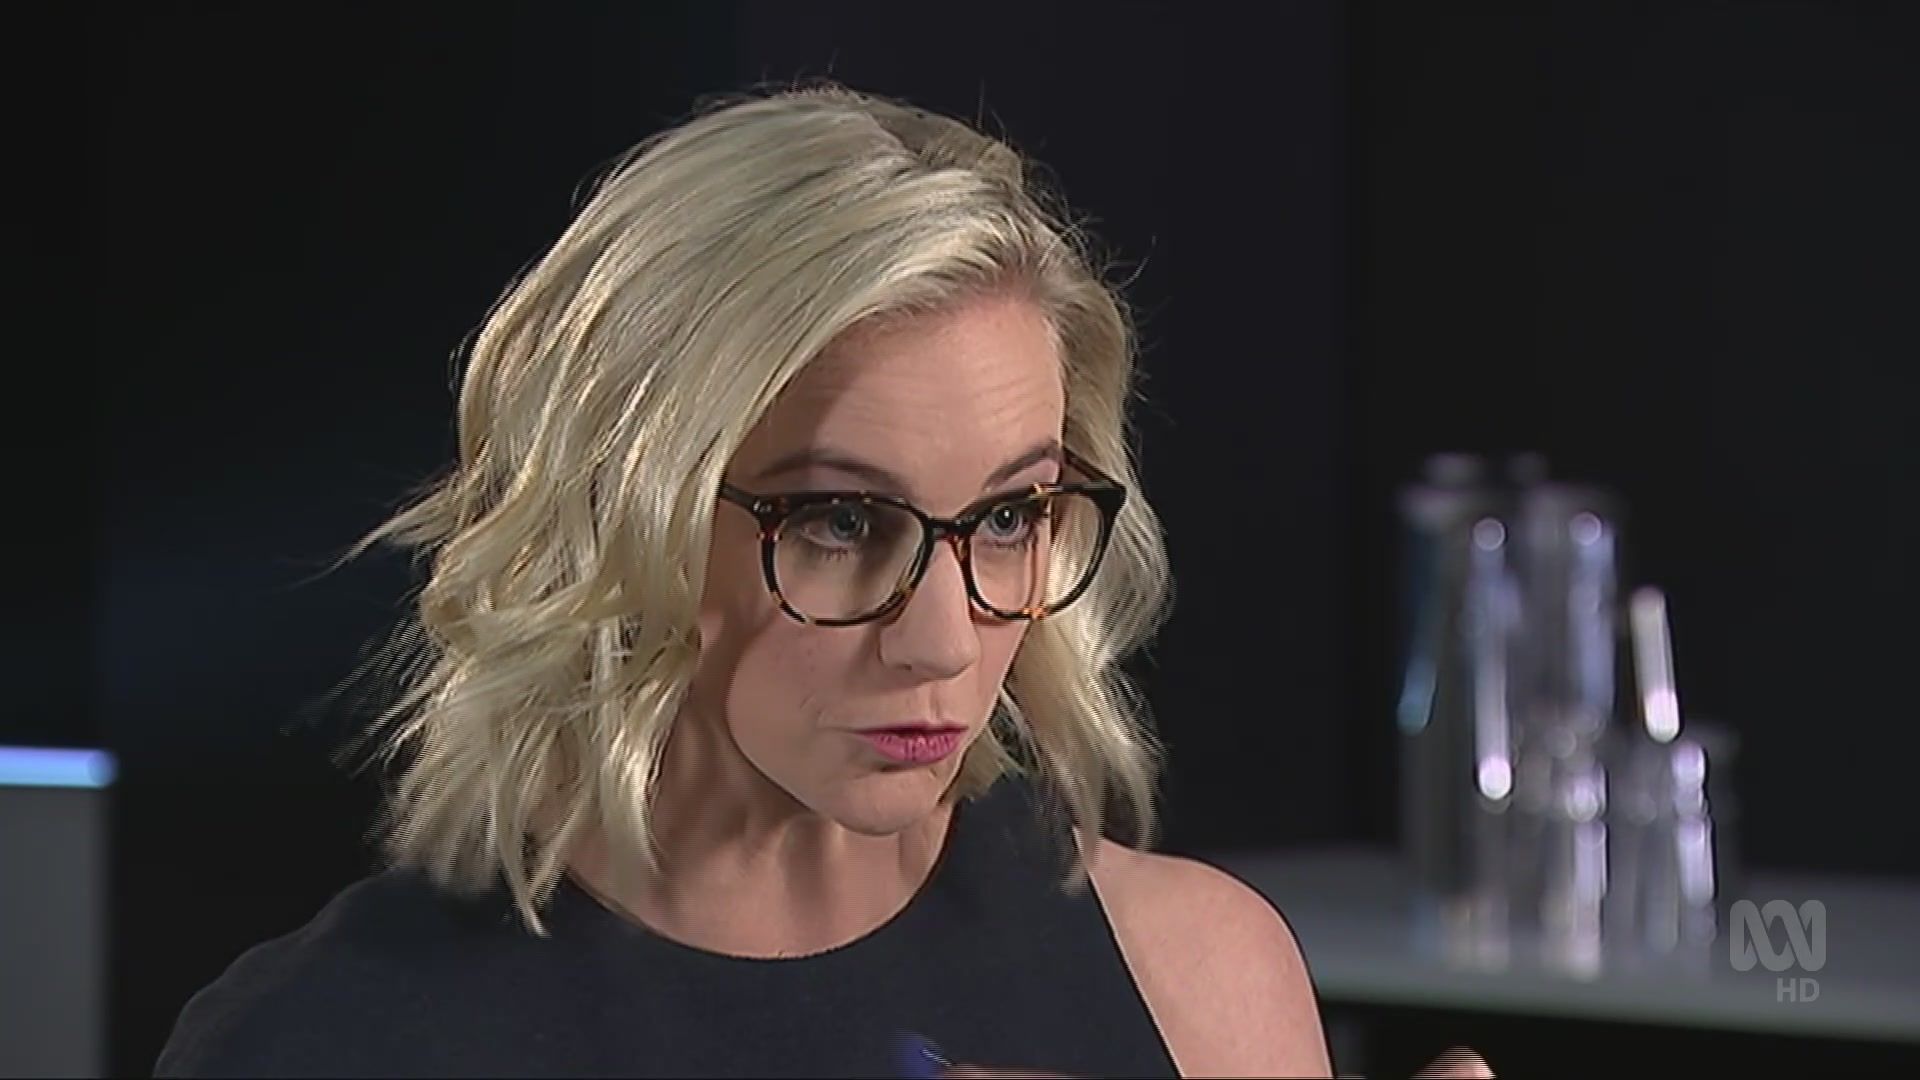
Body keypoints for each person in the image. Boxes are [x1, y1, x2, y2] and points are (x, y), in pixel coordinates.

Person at [154, 83, 1490, 1079]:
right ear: (622, 510)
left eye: (1008, 516)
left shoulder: (1199, 980)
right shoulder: (323, 1042)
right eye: (842, 520)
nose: (942, 638)